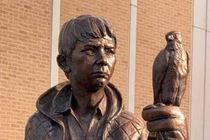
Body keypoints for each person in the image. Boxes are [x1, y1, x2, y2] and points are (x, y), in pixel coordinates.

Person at [25, 15, 188, 140]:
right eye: (90, 50)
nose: (103, 59)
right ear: (64, 62)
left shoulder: (131, 126)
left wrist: (174, 135)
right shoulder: (38, 125)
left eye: (109, 51)